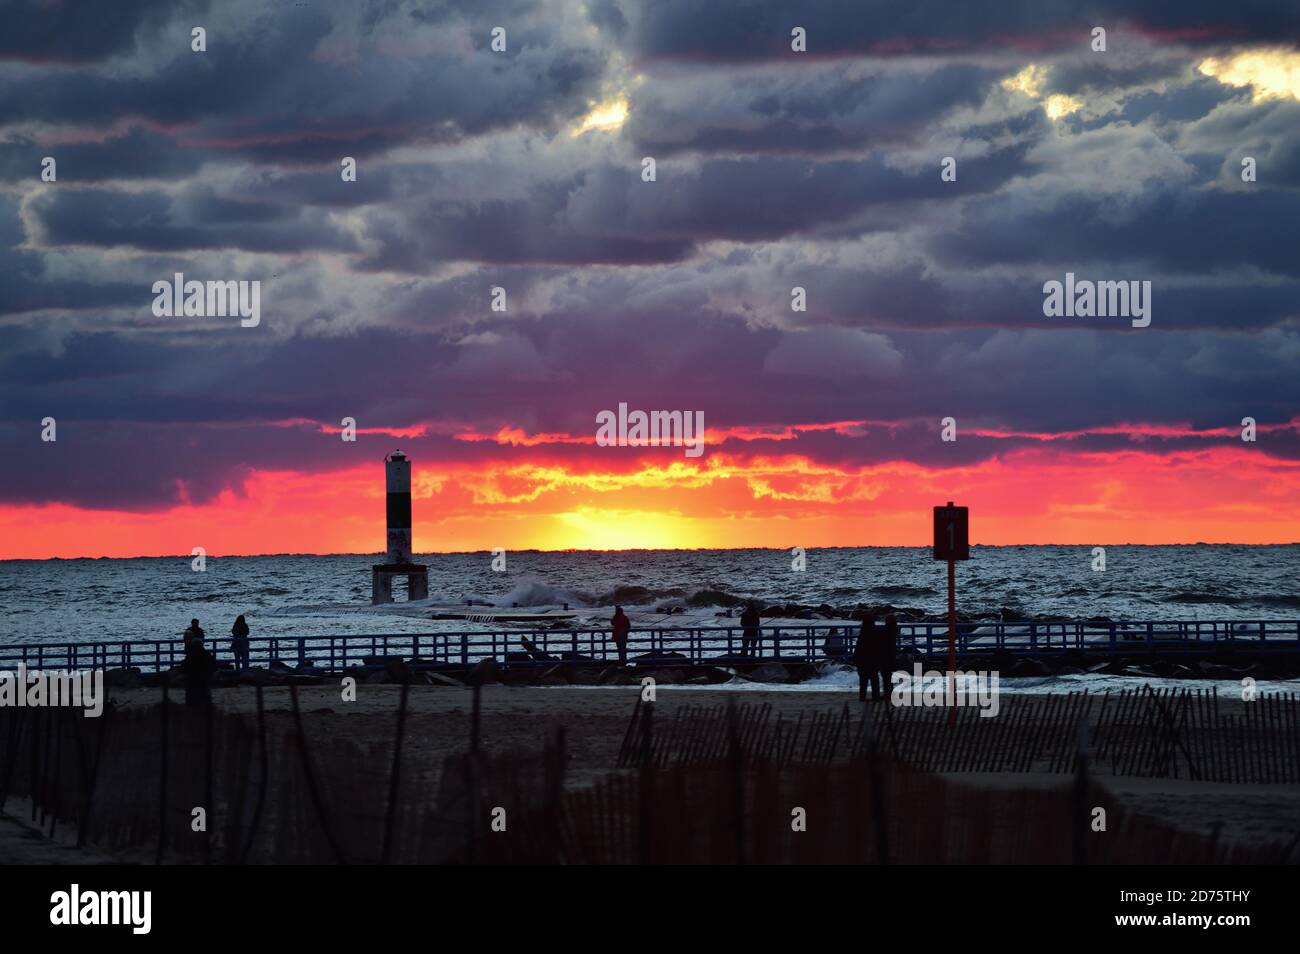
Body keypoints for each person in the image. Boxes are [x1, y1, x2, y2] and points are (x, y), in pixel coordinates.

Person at [181, 629, 217, 707]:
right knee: (205, 695)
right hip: (205, 679)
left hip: (192, 680)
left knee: (191, 697)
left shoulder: (190, 655)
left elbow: (184, 667)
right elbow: (214, 666)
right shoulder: (207, 654)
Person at [853, 613, 879, 701]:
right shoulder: (875, 632)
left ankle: (862, 696)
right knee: (874, 679)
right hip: (874, 659)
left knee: (863, 680)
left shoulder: (863, 632)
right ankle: (875, 696)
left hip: (863, 660)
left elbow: (859, 647)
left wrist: (855, 659)